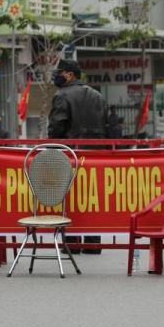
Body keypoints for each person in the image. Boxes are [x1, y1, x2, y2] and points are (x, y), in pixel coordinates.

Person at [47, 59, 108, 255]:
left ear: (70, 75)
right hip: (96, 155)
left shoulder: (61, 95)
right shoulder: (98, 96)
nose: (57, 76)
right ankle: (92, 243)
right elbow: (106, 126)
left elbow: (57, 127)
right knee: (92, 197)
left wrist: (51, 146)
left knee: (72, 198)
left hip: (71, 154)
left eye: (60, 72)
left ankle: (71, 242)